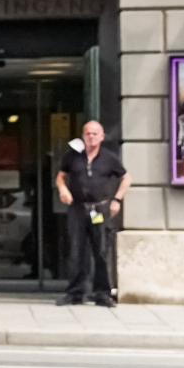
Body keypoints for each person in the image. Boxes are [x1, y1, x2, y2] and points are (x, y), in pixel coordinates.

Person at [55, 119, 128, 308]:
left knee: (101, 251)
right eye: (88, 133)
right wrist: (63, 190)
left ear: (102, 136)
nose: (91, 136)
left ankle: (102, 293)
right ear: (83, 136)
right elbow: (60, 177)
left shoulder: (109, 158)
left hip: (99, 209)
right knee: (76, 251)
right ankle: (75, 293)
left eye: (95, 133)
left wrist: (117, 199)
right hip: (78, 209)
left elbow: (126, 178)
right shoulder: (73, 156)